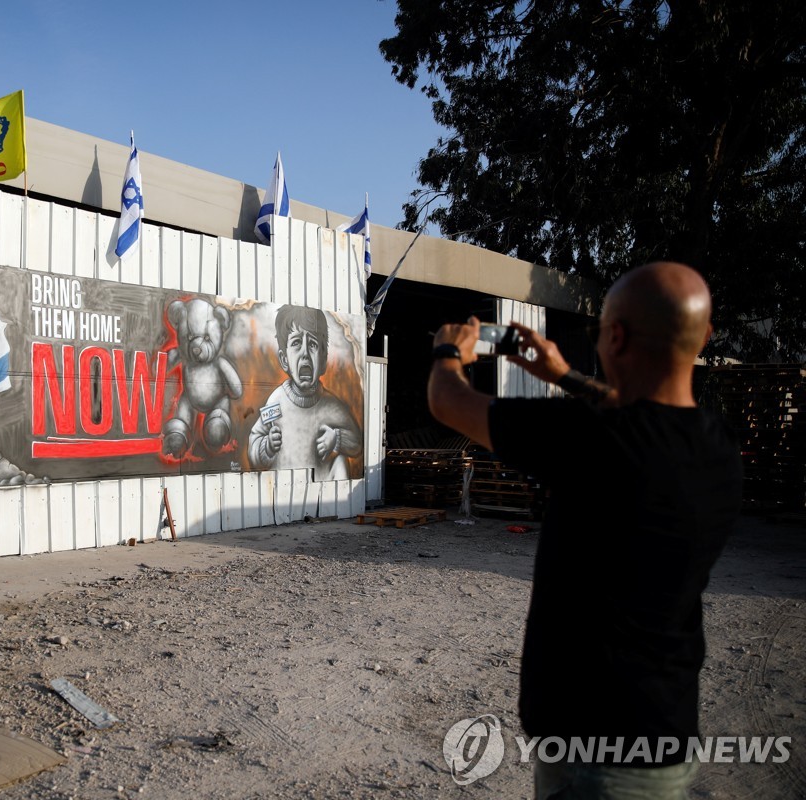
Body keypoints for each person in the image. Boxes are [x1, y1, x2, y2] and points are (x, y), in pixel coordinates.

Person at [427, 262, 742, 799]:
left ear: (615, 337)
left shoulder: (593, 440)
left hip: (595, 763)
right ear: (704, 337)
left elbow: (447, 401)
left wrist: (448, 351)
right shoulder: (718, 448)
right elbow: (637, 413)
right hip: (664, 733)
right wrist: (564, 375)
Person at [248, 305, 361, 478]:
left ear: (323, 360)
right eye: (296, 343)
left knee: (340, 463)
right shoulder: (277, 402)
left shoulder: (332, 406)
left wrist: (336, 439)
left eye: (313, 344)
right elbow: (254, 442)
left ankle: (339, 501)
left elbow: (357, 443)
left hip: (322, 486)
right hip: (284, 484)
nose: (305, 353)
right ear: (284, 359)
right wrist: (267, 445)